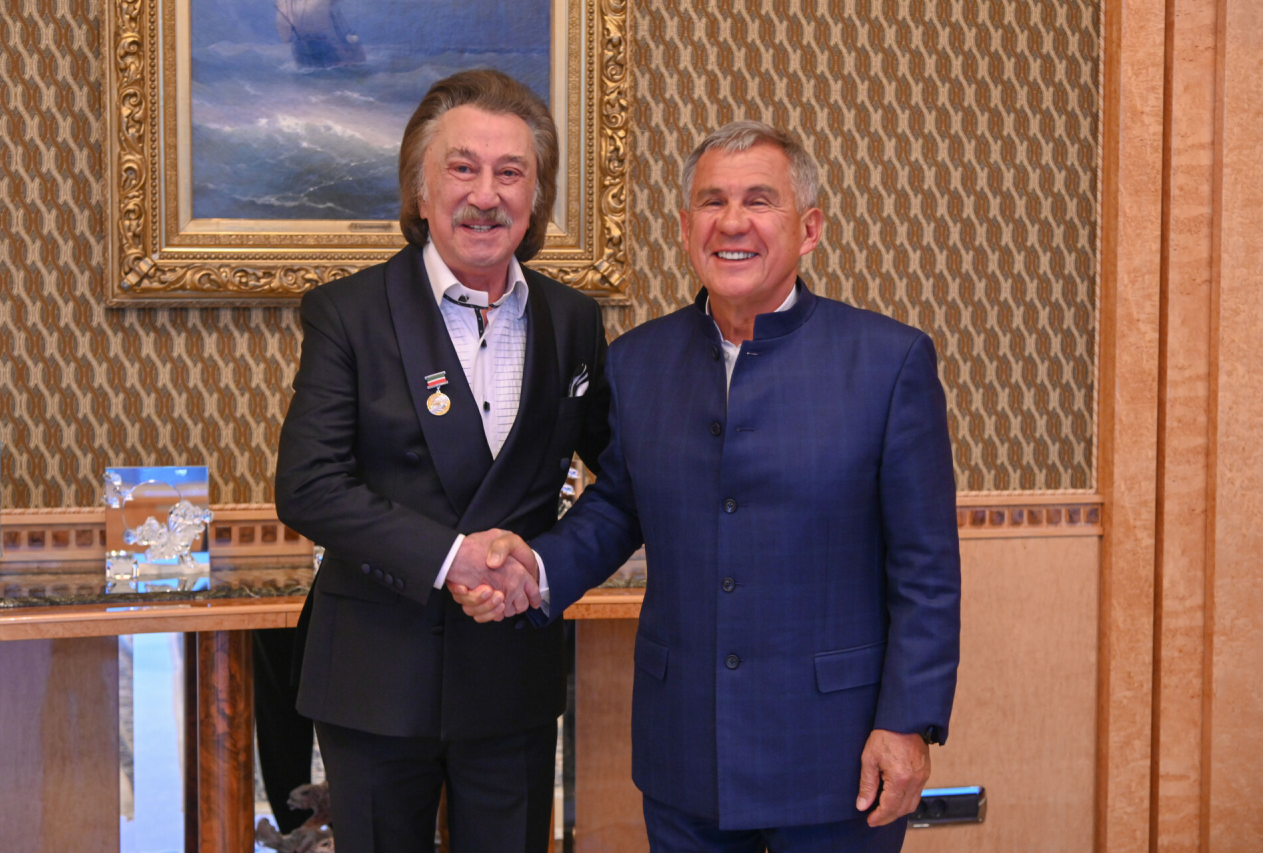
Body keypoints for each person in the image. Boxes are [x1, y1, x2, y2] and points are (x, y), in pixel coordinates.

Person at [453, 121, 961, 853]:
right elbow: (619, 506)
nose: (732, 222)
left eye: (759, 201)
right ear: (685, 227)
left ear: (810, 229)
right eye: (712, 201)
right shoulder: (638, 361)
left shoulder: (889, 362)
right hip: (685, 747)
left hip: (837, 752)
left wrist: (907, 722)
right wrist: (533, 569)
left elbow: (926, 570)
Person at [274, 69, 610, 853]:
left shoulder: (573, 320)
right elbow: (308, 484)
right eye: (462, 167)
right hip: (376, 680)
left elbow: (622, 476)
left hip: (512, 676)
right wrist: (453, 557)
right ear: (420, 190)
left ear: (535, 197)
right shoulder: (349, 312)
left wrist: (543, 567)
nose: (484, 195)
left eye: (510, 172)